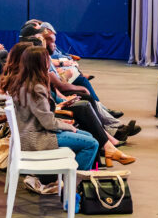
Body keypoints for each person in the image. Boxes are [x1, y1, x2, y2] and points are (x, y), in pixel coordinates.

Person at [6, 45, 98, 173]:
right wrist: (69, 127)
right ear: (40, 64)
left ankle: (67, 179)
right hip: (36, 138)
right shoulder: (36, 88)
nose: (49, 62)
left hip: (31, 134)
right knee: (92, 143)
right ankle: (74, 184)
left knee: (87, 135)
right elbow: (49, 123)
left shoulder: (24, 82)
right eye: (46, 59)